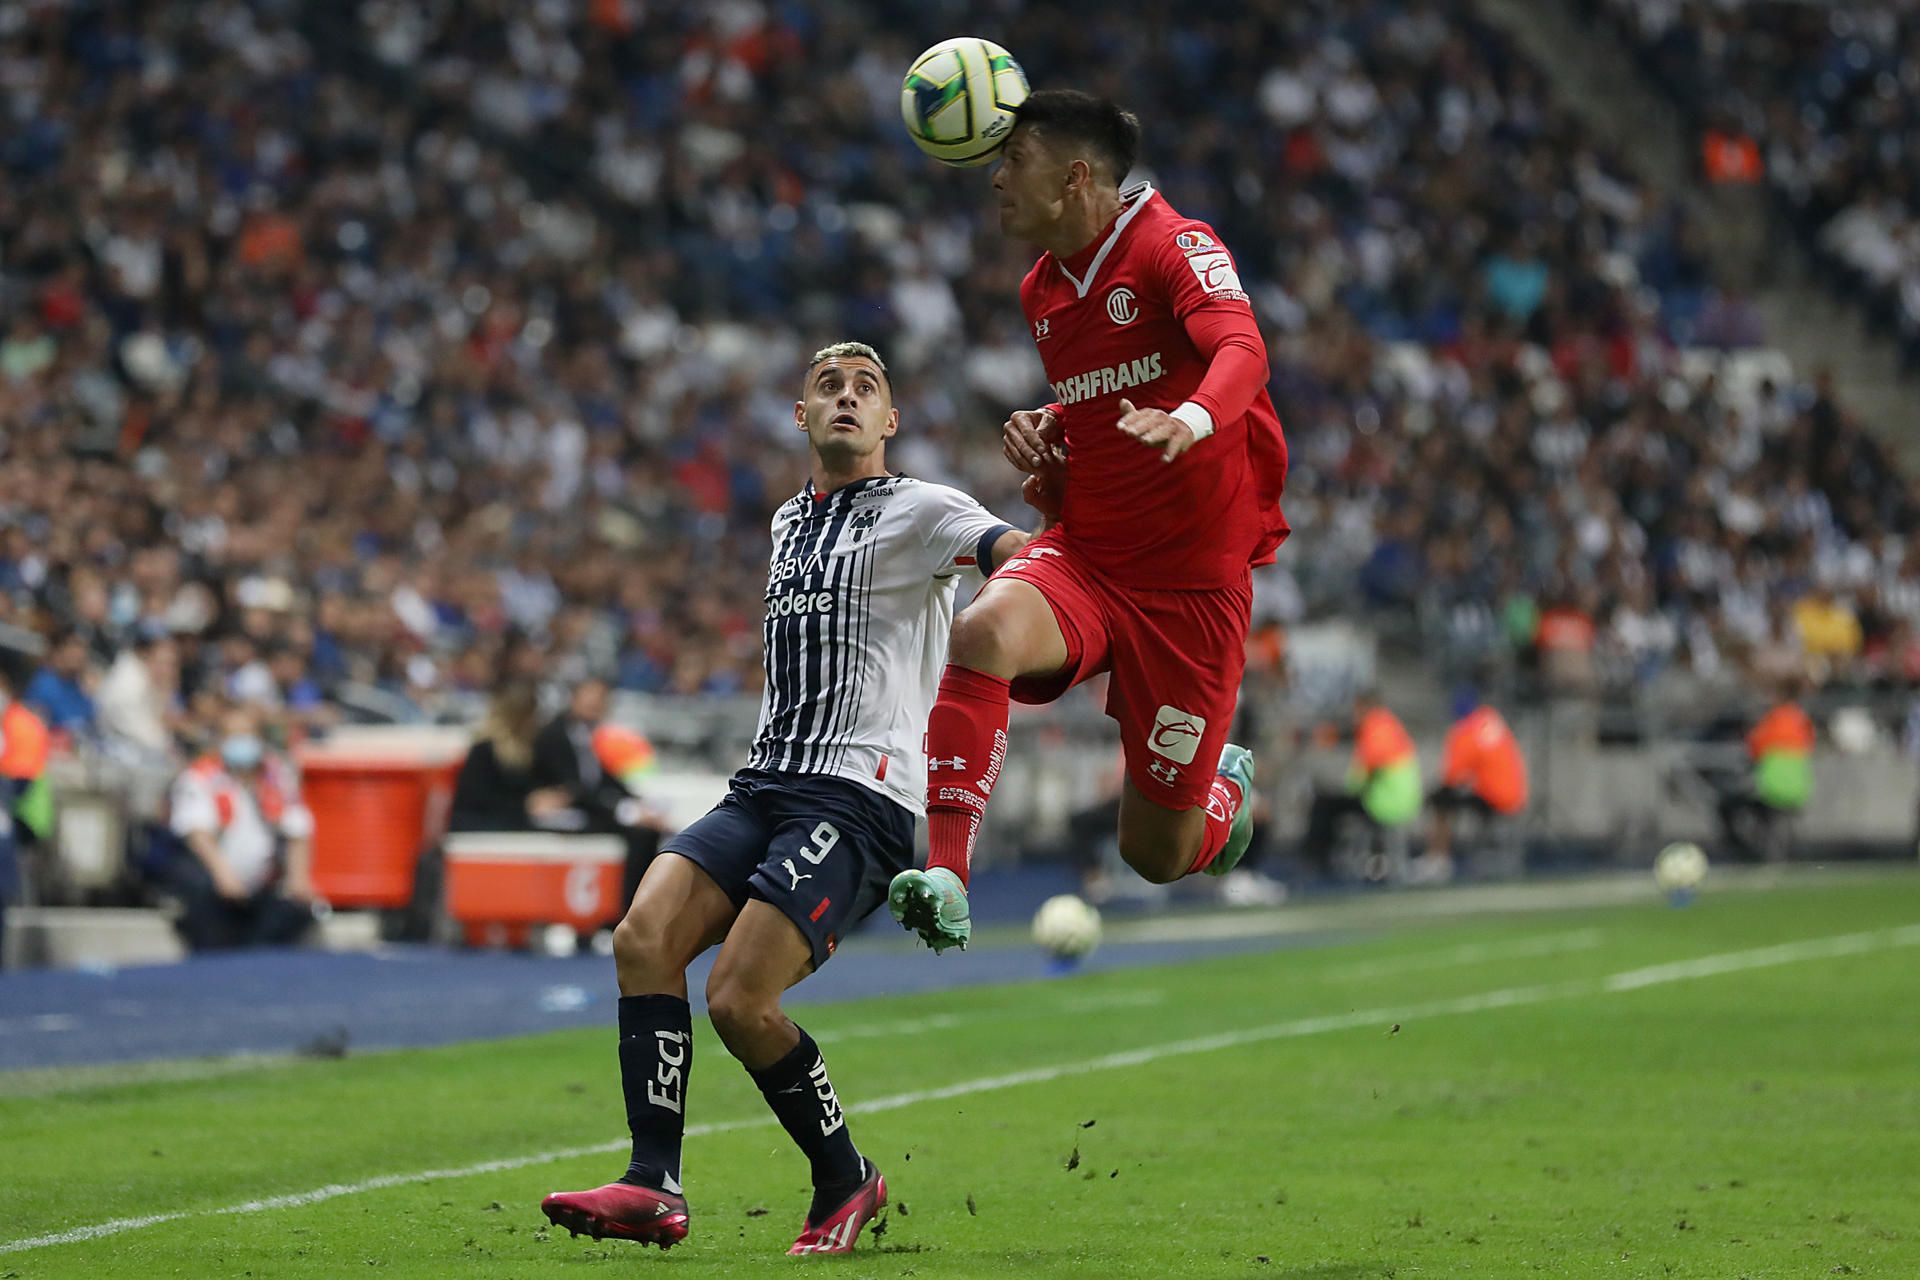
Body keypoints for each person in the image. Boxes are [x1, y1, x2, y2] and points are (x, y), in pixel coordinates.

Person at [540, 342, 1036, 1255]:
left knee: (737, 998)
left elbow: (1021, 559)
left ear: (889, 422)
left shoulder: (925, 510)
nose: (846, 398)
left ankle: (846, 1177)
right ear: (799, 417)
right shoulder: (785, 524)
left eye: (866, 389)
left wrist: (1017, 622)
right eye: (827, 387)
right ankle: (653, 1183)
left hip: (859, 797)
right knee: (642, 937)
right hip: (765, 781)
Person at [887, 89, 1289, 951]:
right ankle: (949, 875)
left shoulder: (1175, 245)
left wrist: (1191, 419)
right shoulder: (1042, 288)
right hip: (1091, 555)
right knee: (984, 628)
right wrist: (1056, 426)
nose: (996, 179)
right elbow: (1107, 392)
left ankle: (1223, 798)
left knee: (1155, 852)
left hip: (1189, 592)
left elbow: (1242, 350)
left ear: (1074, 178)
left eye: (1014, 162)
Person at [163, 702, 318, 951]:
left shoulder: (276, 775)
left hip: (263, 886)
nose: (241, 742)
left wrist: (298, 879)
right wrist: (224, 875)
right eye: (233, 735)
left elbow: (297, 827)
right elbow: (197, 833)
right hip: (217, 885)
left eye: (247, 734)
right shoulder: (202, 776)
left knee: (293, 911)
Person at [1299, 691, 1421, 875]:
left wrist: (1350, 786)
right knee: (1331, 802)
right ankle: (1327, 860)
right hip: (1398, 798)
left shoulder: (1376, 727)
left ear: (1363, 707)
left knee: (1324, 805)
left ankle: (1316, 863)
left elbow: (1369, 768)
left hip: (1384, 802)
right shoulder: (1389, 724)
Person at [1422, 690, 1528, 880]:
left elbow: (1452, 776)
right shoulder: (1492, 719)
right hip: (1514, 795)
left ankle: (1438, 859)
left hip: (1494, 797)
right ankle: (1440, 858)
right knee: (1448, 797)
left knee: (1440, 800)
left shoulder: (1466, 731)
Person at [448, 681, 572, 832]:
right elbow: (477, 800)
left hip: (519, 822)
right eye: (532, 715)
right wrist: (526, 804)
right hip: (485, 826)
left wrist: (550, 796)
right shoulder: (484, 751)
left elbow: (541, 783)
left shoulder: (533, 749)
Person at [1718, 682, 1814, 861]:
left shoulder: (1772, 721)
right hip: (1798, 791)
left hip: (1771, 790)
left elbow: (1753, 747)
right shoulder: (1801, 720)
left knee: (1727, 805)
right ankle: (1774, 850)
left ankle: (1747, 852)